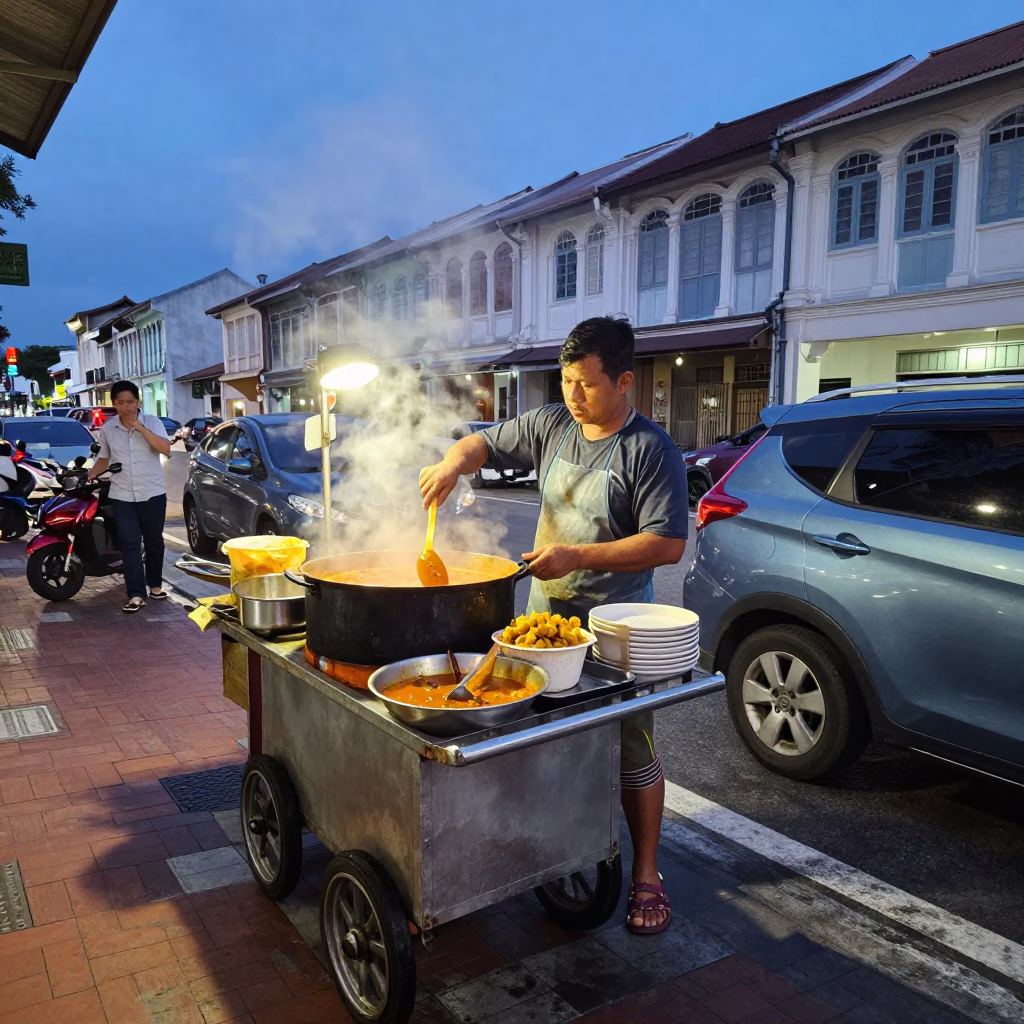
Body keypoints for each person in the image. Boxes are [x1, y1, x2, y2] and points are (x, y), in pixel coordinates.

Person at [419, 316, 688, 935]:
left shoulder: (650, 449)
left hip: (614, 627)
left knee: (630, 750)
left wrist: (577, 555)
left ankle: (646, 872)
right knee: (541, 742)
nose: (572, 397)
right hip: (543, 622)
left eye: (586, 385)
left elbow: (667, 544)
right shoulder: (552, 426)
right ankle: (550, 849)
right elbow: (480, 442)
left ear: (623, 382)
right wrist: (451, 465)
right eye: (566, 382)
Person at [87, 380, 172, 612]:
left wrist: (140, 427)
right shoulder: (108, 428)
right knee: (130, 544)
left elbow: (165, 449)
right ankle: (135, 594)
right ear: (114, 404)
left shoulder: (152, 422)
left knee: (154, 542)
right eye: (120, 402)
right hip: (122, 494)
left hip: (152, 493)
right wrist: (90, 474)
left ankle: (155, 585)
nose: (126, 407)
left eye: (130, 402)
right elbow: (104, 459)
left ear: (138, 402)